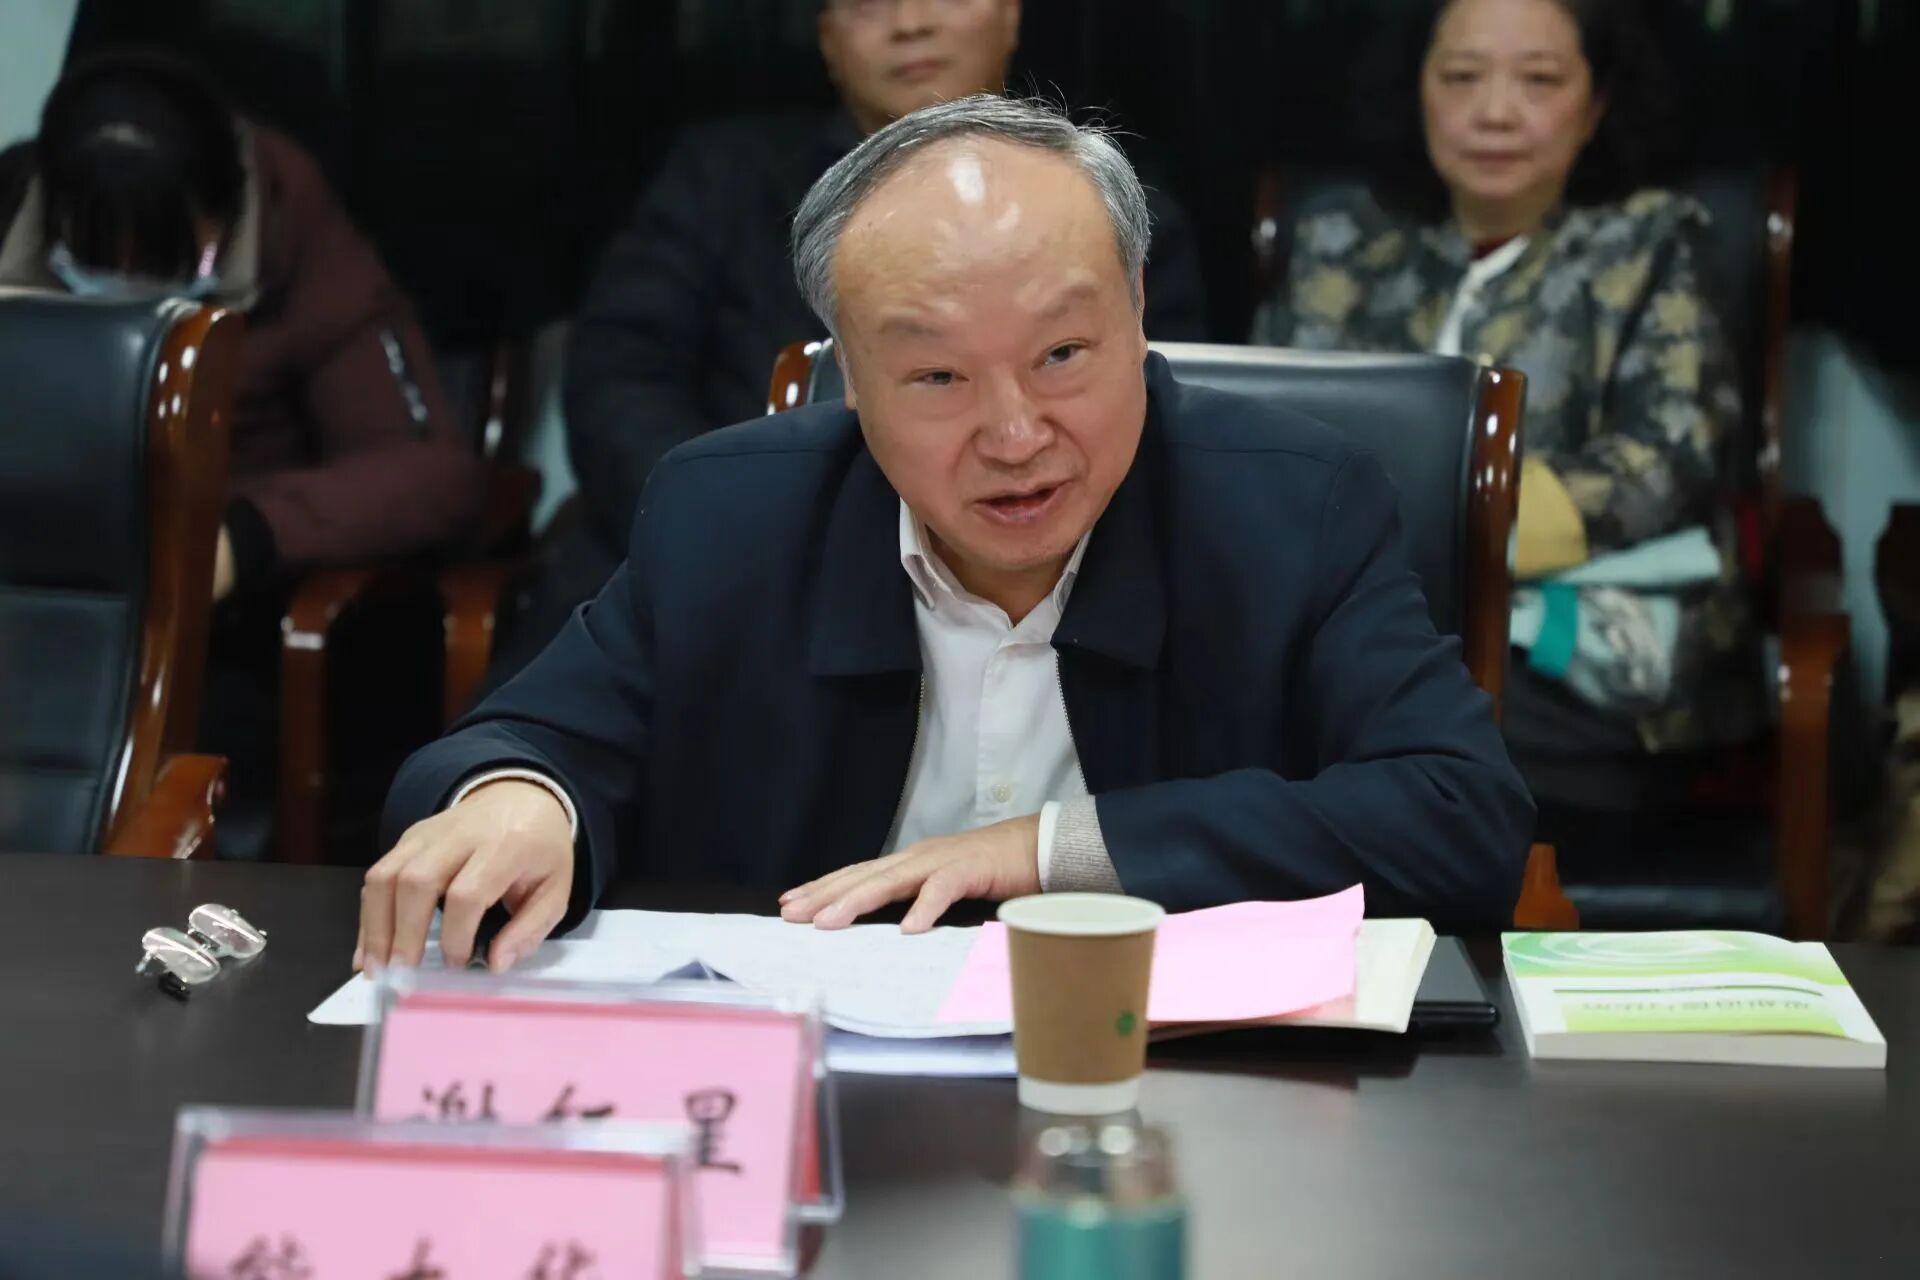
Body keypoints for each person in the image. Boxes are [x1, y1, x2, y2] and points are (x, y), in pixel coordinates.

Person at [358, 95, 1533, 975]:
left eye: (1063, 355)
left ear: (1138, 315)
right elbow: (522, 741)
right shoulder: (732, 514)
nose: (1016, 435)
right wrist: (522, 798)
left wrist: (1051, 849)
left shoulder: (1291, 505)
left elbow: (1459, 815)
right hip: (819, 1104)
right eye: (936, 376)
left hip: (1185, 1094)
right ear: (849, 376)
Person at [495, 0, 1209, 681]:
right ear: (827, 39)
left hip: (1054, 570)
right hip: (726, 551)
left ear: (1011, 13)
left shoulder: (1103, 208)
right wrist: (734, 522)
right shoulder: (721, 176)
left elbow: (1156, 411)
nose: (910, 24)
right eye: (868, 5)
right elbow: (618, 379)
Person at [1252, 0, 1756, 826]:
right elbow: (1256, 440)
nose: (1494, 111)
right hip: (1353, 628)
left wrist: (1429, 542)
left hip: (1573, 661)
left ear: (1595, 104)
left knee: (1404, 714)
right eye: (1461, 76)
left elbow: (1663, 467)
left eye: (1539, 80)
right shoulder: (1339, 240)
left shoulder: (1655, 244)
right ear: (1417, 87)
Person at [0, 52, 485, 854]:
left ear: (219, 218)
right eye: (98, 254)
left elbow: (429, 475)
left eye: (156, 254)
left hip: (218, 623)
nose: (125, 279)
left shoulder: (300, 240)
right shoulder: (18, 205)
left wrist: (243, 536)